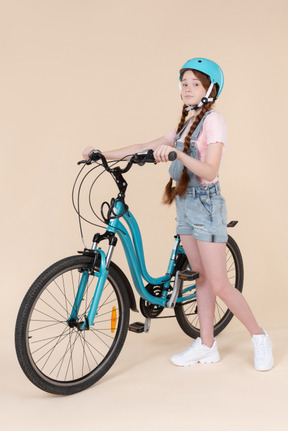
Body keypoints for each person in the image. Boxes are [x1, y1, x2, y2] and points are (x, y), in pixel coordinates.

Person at [82, 57, 273, 371]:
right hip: (185, 203)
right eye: (184, 83)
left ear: (210, 89)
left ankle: (259, 336)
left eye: (195, 83)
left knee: (220, 283)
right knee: (200, 276)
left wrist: (177, 153)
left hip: (207, 204)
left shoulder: (214, 121)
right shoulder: (188, 122)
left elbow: (210, 168)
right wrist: (103, 152)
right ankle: (207, 345)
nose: (187, 88)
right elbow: (147, 144)